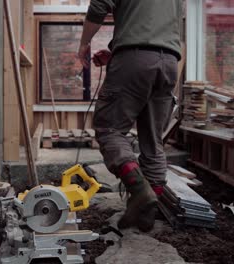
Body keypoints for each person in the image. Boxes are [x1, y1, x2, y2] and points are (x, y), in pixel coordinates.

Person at [78, 0, 181, 232]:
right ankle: (145, 217)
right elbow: (155, 24)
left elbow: (98, 5)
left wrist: (84, 44)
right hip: (169, 62)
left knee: (109, 130)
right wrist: (118, 52)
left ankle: (138, 189)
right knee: (153, 142)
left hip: (134, 58)